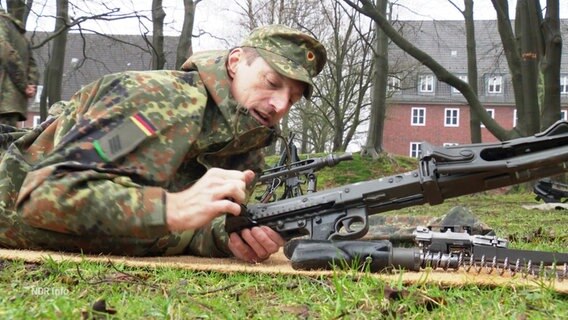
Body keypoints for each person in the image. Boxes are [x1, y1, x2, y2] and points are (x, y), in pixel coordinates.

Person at [0, 24, 327, 263]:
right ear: (235, 62)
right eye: (272, 83)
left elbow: (192, 229)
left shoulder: (247, 151)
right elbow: (46, 193)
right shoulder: (152, 110)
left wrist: (226, 237)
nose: (280, 105)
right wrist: (172, 209)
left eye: (293, 99)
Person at [0, 9, 38, 126]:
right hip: (12, 104)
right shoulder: (18, 31)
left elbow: (6, 52)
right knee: (8, 141)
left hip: (3, 99)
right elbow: (32, 65)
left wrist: (24, 84)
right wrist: (30, 85)